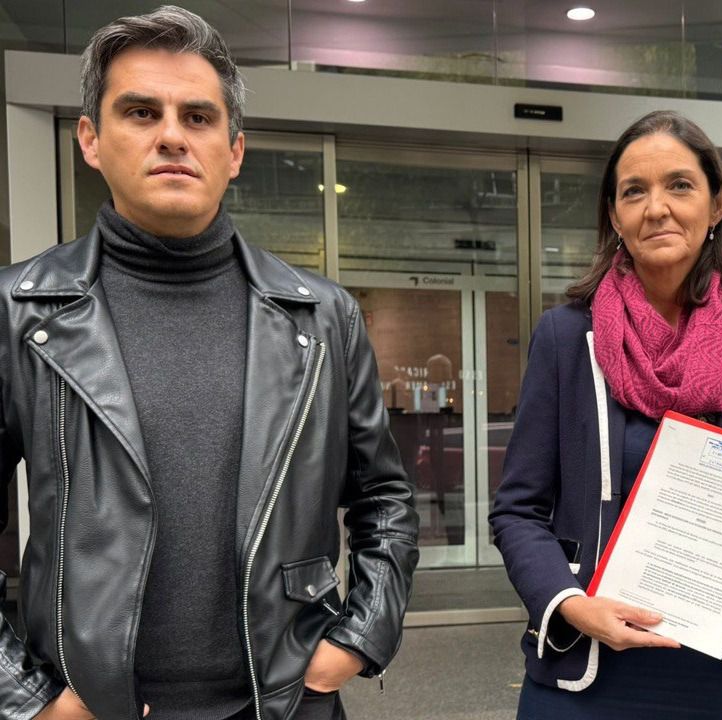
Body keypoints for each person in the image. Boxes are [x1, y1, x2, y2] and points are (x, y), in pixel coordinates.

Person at [0, 7, 419, 720]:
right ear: (90, 139)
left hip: (284, 702)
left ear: (234, 150)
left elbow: (386, 499)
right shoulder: (20, 313)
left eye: (198, 117)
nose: (172, 135)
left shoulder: (322, 317)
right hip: (90, 709)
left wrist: (355, 639)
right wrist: (32, 698)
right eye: (141, 112)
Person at [489, 110, 722, 719]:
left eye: (679, 185)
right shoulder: (567, 338)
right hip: (590, 667)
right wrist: (570, 604)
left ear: (716, 205)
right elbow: (518, 510)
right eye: (634, 192)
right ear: (615, 216)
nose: (657, 208)